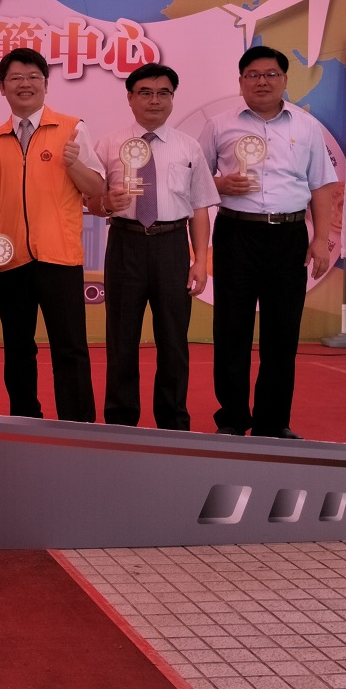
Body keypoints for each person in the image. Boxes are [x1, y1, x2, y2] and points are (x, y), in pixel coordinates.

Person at [198, 46, 336, 439]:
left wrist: (321, 239)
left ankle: (273, 422)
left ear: (285, 80)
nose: (262, 81)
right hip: (236, 233)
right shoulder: (219, 125)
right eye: (253, 75)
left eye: (271, 74)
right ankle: (232, 418)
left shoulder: (307, 126)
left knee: (282, 330)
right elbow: (196, 182)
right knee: (231, 328)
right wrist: (221, 185)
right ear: (241, 81)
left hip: (289, 236)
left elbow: (321, 185)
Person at [0, 47, 106, 421]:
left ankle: (79, 426)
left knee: (70, 348)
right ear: (2, 87)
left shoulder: (72, 128)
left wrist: (74, 165)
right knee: (17, 349)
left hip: (60, 258)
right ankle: (24, 421)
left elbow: (95, 188)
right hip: (11, 260)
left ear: (46, 84)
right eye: (15, 78)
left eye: (32, 77)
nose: (24, 84)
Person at [90, 63, 217, 430]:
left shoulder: (188, 146)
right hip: (125, 243)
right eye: (145, 93)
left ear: (173, 99)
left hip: (172, 246)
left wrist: (200, 260)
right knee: (121, 339)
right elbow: (91, 201)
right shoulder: (108, 144)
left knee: (174, 340)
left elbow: (199, 207)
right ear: (130, 98)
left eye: (163, 93)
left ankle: (174, 421)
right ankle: (120, 421)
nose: (154, 101)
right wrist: (106, 203)